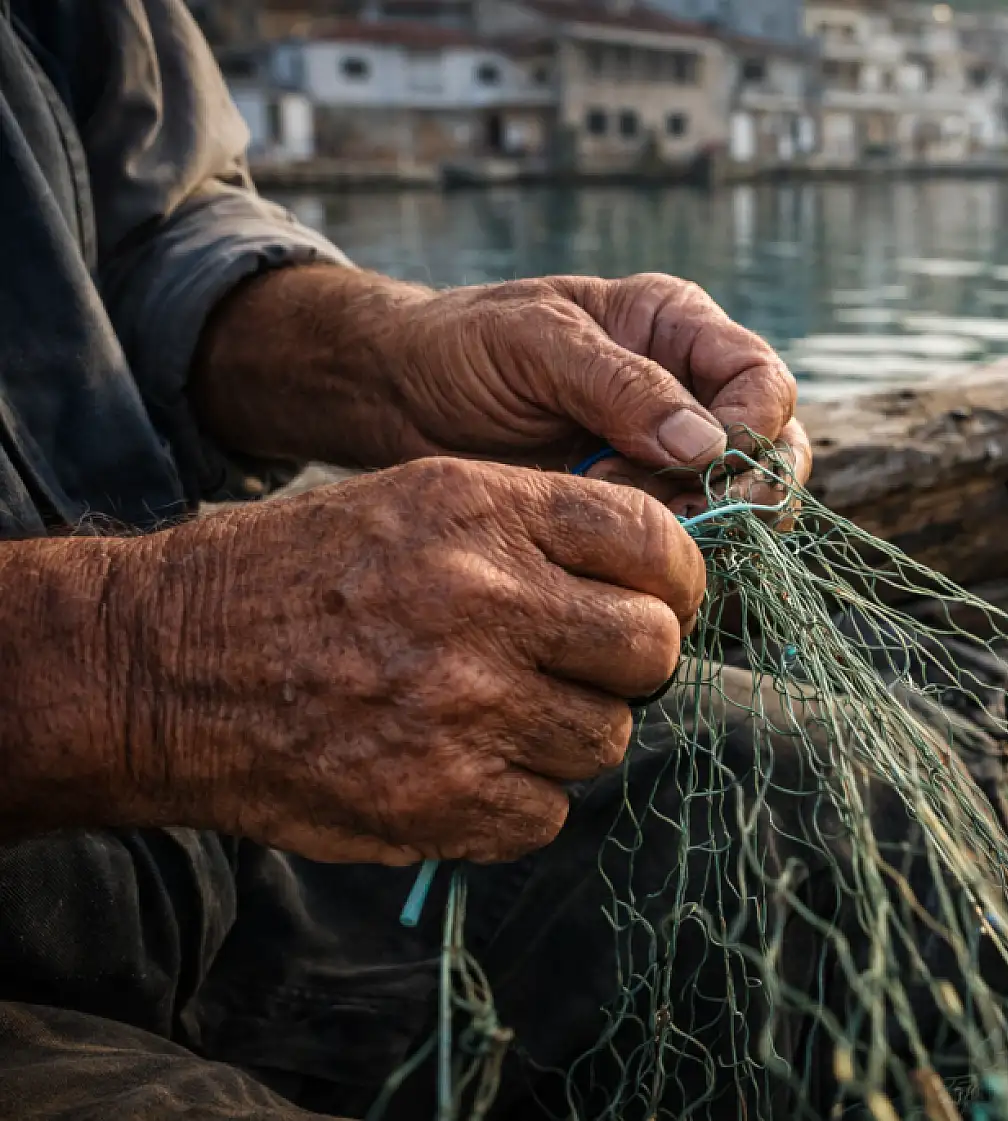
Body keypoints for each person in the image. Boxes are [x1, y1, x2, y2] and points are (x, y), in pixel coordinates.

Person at [0, 2, 852, 1117]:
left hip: (195, 855)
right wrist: (135, 662)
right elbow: (144, 663)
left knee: (801, 797)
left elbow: (148, 236)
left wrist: (395, 357)